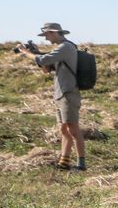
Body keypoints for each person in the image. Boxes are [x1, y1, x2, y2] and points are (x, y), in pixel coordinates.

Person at [15, 23, 87, 171]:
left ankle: (81, 165)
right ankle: (64, 162)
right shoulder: (59, 49)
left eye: (47, 35)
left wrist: (26, 53)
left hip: (68, 92)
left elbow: (42, 60)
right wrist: (36, 53)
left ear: (54, 33)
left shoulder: (65, 47)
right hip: (61, 93)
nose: (46, 38)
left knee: (73, 128)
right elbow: (46, 69)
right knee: (63, 129)